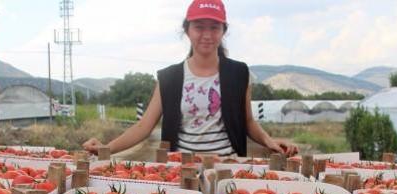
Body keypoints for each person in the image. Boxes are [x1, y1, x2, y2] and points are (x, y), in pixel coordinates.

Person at [83, 0, 298, 158]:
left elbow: (248, 122)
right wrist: (106, 148)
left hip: (228, 168)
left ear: (224, 30)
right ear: (187, 30)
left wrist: (270, 141)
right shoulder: (170, 78)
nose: (207, 34)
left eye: (214, 27)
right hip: (181, 170)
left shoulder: (239, 74)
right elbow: (144, 126)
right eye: (199, 27)